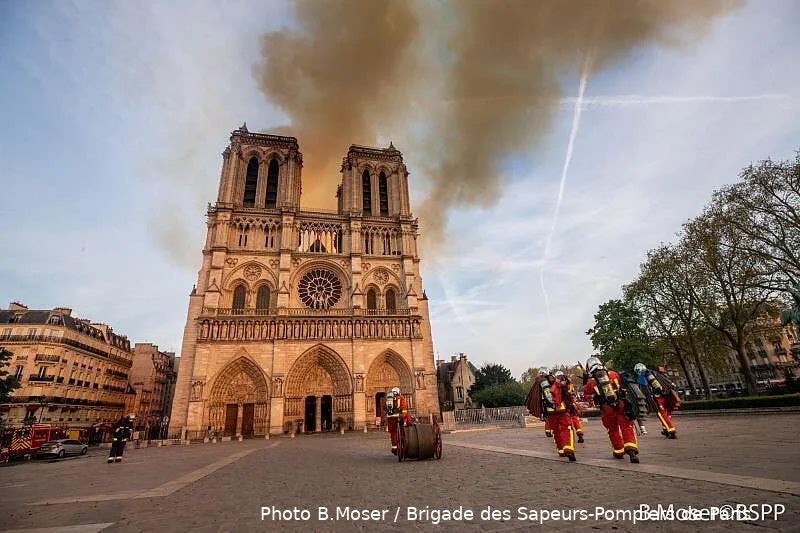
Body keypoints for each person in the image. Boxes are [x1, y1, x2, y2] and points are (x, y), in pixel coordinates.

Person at [583, 357, 640, 463]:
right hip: (621, 403)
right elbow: (623, 385)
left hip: (607, 408)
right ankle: (631, 450)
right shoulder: (613, 374)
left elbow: (587, 391)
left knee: (612, 430)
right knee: (627, 426)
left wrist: (585, 380)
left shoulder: (592, 381)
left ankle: (618, 451)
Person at [635, 363, 679, 439]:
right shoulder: (655, 372)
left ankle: (671, 431)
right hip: (665, 396)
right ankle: (665, 429)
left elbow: (647, 387)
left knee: (662, 415)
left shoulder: (644, 374)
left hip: (657, 398)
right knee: (666, 413)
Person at [555, 370, 584, 443]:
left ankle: (567, 437)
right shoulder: (570, 384)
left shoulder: (557, 385)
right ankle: (579, 433)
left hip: (564, 405)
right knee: (575, 419)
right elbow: (574, 394)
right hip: (572, 403)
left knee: (565, 421)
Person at [385, 387, 411, 455]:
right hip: (399, 417)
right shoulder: (401, 398)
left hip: (390, 418)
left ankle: (394, 448)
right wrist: (404, 416)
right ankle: (404, 446)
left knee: (393, 433)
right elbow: (404, 408)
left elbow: (385, 408)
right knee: (402, 431)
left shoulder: (388, 399)